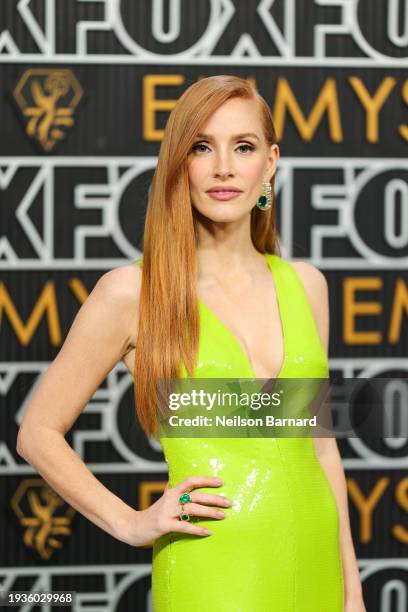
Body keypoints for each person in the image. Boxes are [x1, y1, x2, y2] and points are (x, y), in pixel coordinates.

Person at [16, 75, 365, 612]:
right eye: (202, 147)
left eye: (243, 147)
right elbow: (37, 431)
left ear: (269, 163)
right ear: (181, 163)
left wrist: (352, 589)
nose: (223, 166)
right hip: (213, 571)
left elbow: (321, 447)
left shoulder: (308, 284)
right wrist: (132, 523)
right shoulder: (132, 292)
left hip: (316, 567)